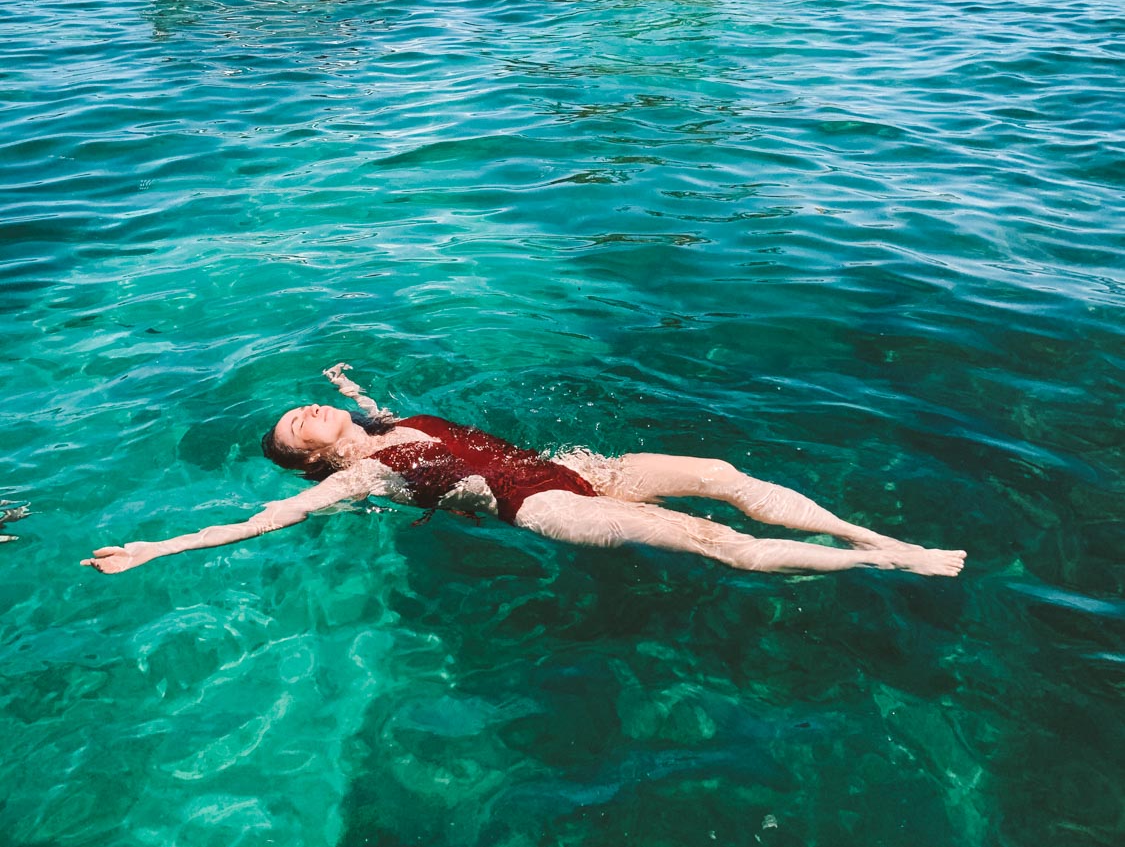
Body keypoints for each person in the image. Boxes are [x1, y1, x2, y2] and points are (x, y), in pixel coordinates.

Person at [83, 364, 965, 579]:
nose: (309, 410)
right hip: (543, 507)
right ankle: (884, 561)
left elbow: (376, 406)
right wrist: (155, 549)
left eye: (308, 404)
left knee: (722, 471)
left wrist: (345, 386)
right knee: (711, 539)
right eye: (300, 421)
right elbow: (254, 523)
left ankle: (866, 530)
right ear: (308, 455)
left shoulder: (383, 419)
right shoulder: (351, 479)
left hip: (568, 467)